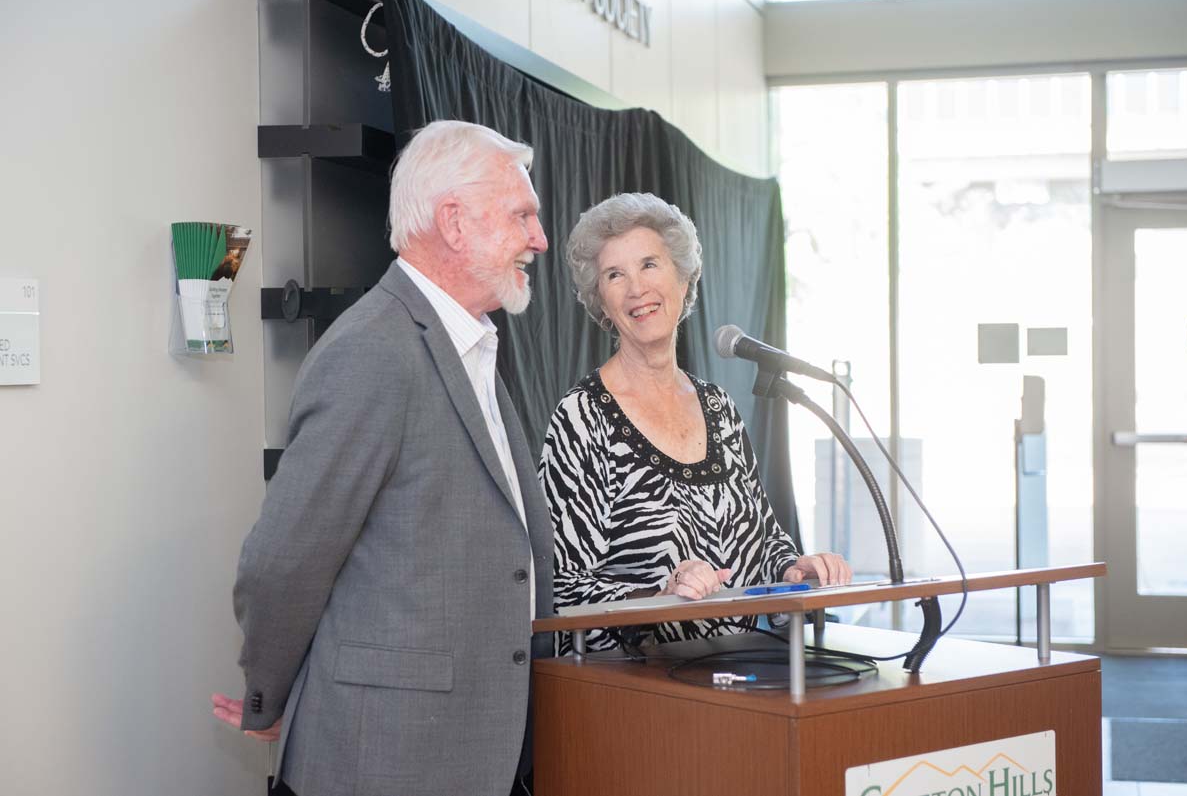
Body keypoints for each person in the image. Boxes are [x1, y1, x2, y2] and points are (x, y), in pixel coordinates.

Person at [211, 120, 553, 796]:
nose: (538, 238)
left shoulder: (470, 347)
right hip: (386, 758)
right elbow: (284, 560)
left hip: (476, 753)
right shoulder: (373, 351)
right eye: (521, 215)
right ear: (454, 223)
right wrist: (268, 693)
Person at [540, 192, 851, 653]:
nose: (636, 289)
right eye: (614, 274)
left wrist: (795, 569)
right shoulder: (582, 417)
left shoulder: (719, 408)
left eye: (649, 264)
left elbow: (762, 540)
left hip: (742, 675)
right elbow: (559, 586)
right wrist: (660, 595)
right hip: (631, 690)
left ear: (683, 280)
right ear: (601, 303)